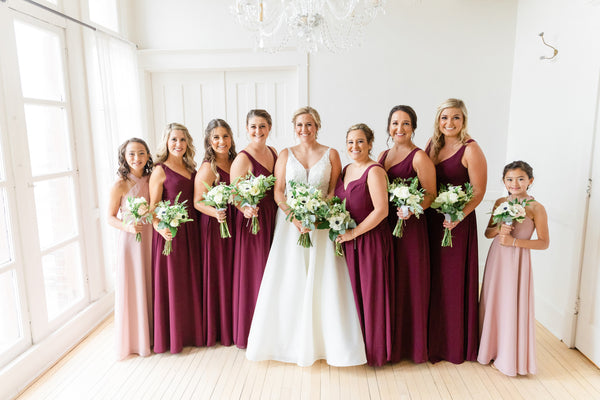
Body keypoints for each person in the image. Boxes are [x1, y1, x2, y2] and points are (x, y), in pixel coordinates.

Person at [246, 107, 366, 366]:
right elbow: (279, 192)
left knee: (323, 279)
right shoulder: (285, 155)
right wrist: (295, 216)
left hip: (321, 226)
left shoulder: (332, 153)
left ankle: (326, 343)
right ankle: (288, 342)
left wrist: (319, 213)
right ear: (294, 127)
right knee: (290, 278)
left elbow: (334, 190)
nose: (304, 129)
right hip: (291, 226)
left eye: (309, 124)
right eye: (300, 124)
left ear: (317, 126)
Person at [425, 98, 487, 364]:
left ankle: (454, 345)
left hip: (456, 225)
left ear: (464, 120)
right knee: (432, 280)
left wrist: (458, 215)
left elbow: (479, 190)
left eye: (455, 118)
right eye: (444, 118)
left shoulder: (471, 150)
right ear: (438, 121)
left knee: (451, 282)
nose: (449, 123)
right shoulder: (432, 145)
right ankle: (431, 342)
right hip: (431, 222)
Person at [478, 161, 549, 376]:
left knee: (511, 304)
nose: (514, 183)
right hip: (497, 258)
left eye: (520, 179)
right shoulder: (500, 201)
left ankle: (509, 357)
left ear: (530, 181)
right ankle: (489, 349)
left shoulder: (536, 208)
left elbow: (544, 242)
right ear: (503, 181)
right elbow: (488, 233)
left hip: (518, 261)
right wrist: (500, 228)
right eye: (509, 179)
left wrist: (515, 243)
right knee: (494, 301)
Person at [377, 106, 436, 364]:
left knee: (410, 283)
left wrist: (411, 209)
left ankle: (411, 347)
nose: (399, 128)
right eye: (395, 123)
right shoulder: (382, 154)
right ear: (388, 126)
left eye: (405, 123)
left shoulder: (419, 157)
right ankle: (390, 343)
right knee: (390, 283)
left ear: (413, 127)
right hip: (385, 226)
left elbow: (430, 194)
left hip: (409, 229)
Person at [334, 123, 392, 367]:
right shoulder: (345, 169)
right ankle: (354, 349)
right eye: (350, 142)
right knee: (351, 296)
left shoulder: (375, 171)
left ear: (370, 143)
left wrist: (354, 233)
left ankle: (375, 352)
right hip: (347, 241)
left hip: (370, 241)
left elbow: (381, 211)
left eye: (360, 141)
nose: (354, 146)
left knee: (371, 296)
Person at [149, 122, 203, 353]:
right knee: (173, 283)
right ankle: (172, 337)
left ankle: (193, 332)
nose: (178, 144)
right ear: (166, 142)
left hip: (193, 231)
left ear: (187, 143)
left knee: (191, 280)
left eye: (182, 140)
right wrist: (161, 228)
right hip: (170, 233)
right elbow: (152, 208)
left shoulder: (193, 169)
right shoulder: (159, 170)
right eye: (174, 140)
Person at [230, 109, 278, 349]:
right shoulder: (243, 158)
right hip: (253, 221)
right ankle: (250, 331)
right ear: (246, 129)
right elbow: (234, 194)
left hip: (273, 218)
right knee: (255, 273)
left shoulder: (273, 152)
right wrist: (245, 209)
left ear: (270, 127)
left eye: (262, 126)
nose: (257, 131)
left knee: (273, 272)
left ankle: (271, 329)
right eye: (253, 127)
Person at [107, 138, 154, 359]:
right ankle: (136, 340)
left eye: (141, 153)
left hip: (151, 237)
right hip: (130, 241)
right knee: (134, 285)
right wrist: (126, 225)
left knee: (151, 282)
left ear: (148, 155)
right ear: (124, 157)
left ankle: (154, 335)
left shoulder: (151, 178)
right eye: (132, 154)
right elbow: (110, 217)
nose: (137, 158)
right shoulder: (120, 184)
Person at [194, 119, 237, 347]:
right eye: (216, 138)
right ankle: (220, 330)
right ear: (209, 142)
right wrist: (215, 213)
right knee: (220, 275)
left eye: (225, 136)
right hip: (216, 226)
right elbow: (197, 202)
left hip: (236, 224)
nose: (222, 141)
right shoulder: (207, 168)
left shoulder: (236, 160)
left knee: (234, 275)